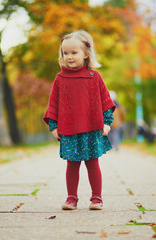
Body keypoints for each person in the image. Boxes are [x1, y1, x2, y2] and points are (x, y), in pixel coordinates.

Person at [43, 30, 116, 211]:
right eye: (65, 53)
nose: (69, 56)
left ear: (86, 54)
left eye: (74, 53)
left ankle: (97, 198)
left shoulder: (94, 77)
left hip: (92, 128)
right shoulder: (60, 79)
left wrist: (107, 122)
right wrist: (54, 126)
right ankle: (71, 198)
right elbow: (54, 103)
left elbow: (106, 101)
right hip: (69, 129)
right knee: (72, 165)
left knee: (93, 164)